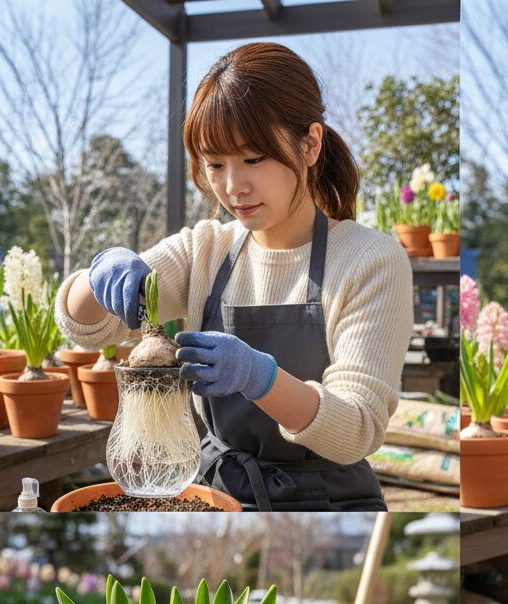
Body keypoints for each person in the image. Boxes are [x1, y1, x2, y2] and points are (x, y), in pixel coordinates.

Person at [55, 42, 412, 511]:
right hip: (216, 493)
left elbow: (357, 428)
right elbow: (86, 327)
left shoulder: (371, 260)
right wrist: (100, 271)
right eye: (215, 164)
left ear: (310, 144)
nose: (232, 186)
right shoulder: (206, 249)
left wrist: (260, 378)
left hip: (328, 502)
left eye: (253, 159)